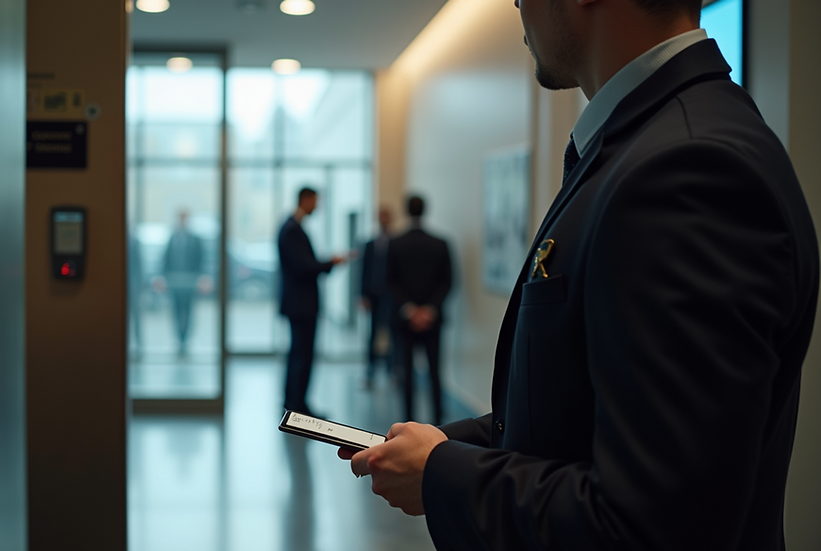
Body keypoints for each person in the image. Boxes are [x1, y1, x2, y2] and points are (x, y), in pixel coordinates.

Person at [341, 0, 819, 549]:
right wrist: (443, 447)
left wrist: (443, 475)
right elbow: (579, 416)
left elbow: (654, 526)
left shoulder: (687, 168)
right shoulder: (642, 144)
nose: (517, 6)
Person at [277, 187, 346, 415]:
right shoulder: (291, 230)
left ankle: (296, 403)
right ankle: (296, 407)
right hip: (301, 305)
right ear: (305, 200)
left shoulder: (292, 228)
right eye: (315, 201)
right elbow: (304, 267)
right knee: (301, 356)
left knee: (299, 354)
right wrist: (330, 263)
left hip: (299, 304)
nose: (316, 206)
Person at [386, 196, 452, 426]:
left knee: (407, 373)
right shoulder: (440, 243)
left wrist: (410, 309)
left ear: (406, 211)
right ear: (425, 210)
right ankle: (438, 423)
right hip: (433, 321)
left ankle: (408, 423)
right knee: (435, 372)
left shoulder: (394, 243)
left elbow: (389, 281)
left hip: (404, 321)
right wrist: (429, 310)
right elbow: (448, 282)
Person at [359, 207, 397, 389]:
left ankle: (392, 371)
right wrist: (362, 295)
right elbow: (363, 272)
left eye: (386, 216)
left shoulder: (397, 243)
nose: (383, 219)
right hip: (373, 296)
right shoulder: (369, 244)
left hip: (391, 298)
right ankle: (370, 373)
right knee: (372, 335)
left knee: (392, 333)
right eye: (380, 216)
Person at [161, 209, 203, 356]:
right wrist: (163, 279)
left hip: (190, 283)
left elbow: (201, 260)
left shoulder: (195, 239)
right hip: (174, 283)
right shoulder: (172, 238)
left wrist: (202, 279)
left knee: (189, 312)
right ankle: (179, 340)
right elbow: (165, 260)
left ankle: (186, 341)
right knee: (176, 312)